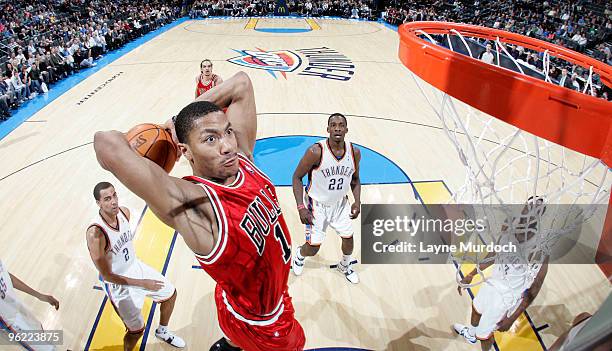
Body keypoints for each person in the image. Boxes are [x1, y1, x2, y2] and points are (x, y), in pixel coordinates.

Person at [93, 72, 305, 351]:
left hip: (246, 297)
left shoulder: (242, 159)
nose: (228, 145)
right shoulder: (195, 205)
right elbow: (105, 142)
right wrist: (167, 132)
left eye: (227, 131)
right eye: (210, 140)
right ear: (185, 151)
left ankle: (229, 343)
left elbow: (241, 83)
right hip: (263, 325)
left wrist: (174, 122)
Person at [86, 182, 185, 350]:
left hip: (135, 266)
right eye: (107, 199)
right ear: (98, 203)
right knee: (137, 331)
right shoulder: (96, 234)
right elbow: (107, 276)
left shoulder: (124, 213)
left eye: (115, 195)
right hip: (117, 285)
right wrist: (143, 284)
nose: (114, 202)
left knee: (170, 294)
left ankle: (162, 331)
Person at [453, 196, 549, 351]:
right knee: (476, 310)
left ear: (540, 216)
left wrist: (512, 318)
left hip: (506, 298)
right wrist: (472, 274)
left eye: (535, 210)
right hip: (492, 283)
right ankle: (470, 334)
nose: (529, 212)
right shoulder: (508, 228)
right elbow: (493, 253)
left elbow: (534, 290)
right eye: (528, 207)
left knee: (485, 334)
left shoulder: (539, 249)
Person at [291, 113, 361, 284]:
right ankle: (299, 256)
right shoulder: (315, 151)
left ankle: (344, 265)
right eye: (334, 124)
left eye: (341, 125)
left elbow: (355, 179)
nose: (337, 128)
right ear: (328, 129)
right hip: (316, 205)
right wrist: (301, 207)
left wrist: (357, 201)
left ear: (346, 129)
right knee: (313, 249)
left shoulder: (354, 152)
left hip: (340, 204)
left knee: (349, 239)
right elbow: (296, 177)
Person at [0, 258, 60, 351]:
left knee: (42, 336)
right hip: (11, 321)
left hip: (17, 306)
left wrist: (39, 295)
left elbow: (7, 276)